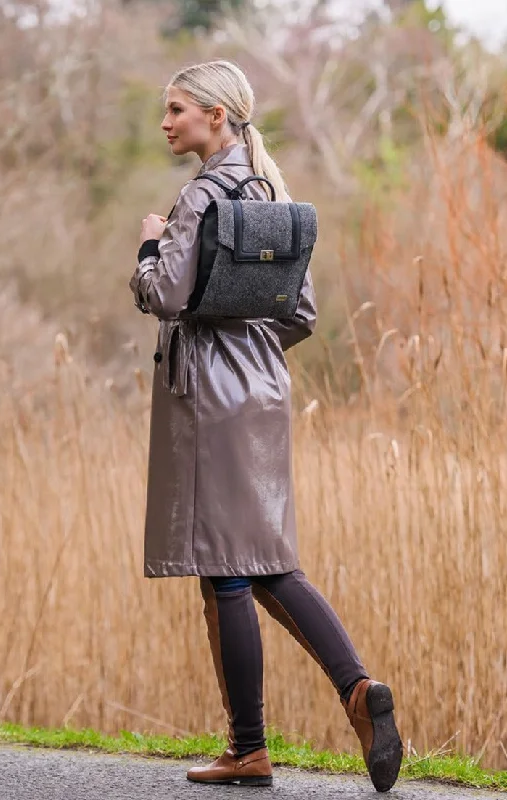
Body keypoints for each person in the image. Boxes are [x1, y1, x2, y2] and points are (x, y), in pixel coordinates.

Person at [129, 60, 403, 793]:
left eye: (178, 109)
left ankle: (247, 748)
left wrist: (150, 244)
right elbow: (300, 314)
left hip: (211, 397)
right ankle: (355, 690)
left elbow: (165, 296)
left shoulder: (199, 198)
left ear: (216, 117)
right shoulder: (272, 193)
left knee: (225, 567)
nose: (166, 122)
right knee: (266, 558)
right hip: (262, 390)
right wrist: (251, 356)